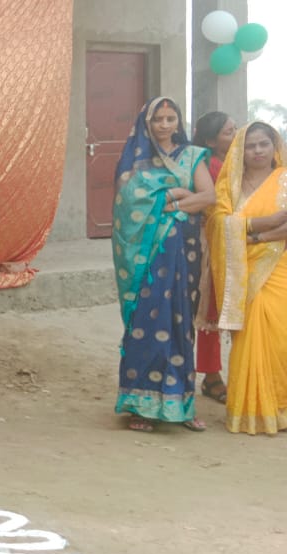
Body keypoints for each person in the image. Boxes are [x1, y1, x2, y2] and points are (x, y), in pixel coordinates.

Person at [111, 97, 215, 433]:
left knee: (180, 325)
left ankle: (181, 406)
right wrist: (176, 198)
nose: (165, 124)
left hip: (183, 255)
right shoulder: (136, 162)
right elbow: (129, 205)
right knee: (146, 322)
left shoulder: (193, 155)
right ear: (147, 123)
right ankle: (140, 406)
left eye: (171, 118)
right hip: (148, 258)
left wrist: (164, 202)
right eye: (159, 118)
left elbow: (208, 197)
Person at [208, 122, 287, 435]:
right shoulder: (231, 186)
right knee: (251, 334)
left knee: (280, 338)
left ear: (274, 146)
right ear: (240, 151)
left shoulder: (283, 180)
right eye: (251, 145)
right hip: (245, 273)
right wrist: (260, 225)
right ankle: (253, 410)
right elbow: (217, 224)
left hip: (279, 267)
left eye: (263, 144)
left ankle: (280, 406)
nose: (257, 151)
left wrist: (255, 235)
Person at [191, 111, 236, 403]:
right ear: (210, 140)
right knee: (211, 310)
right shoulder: (209, 164)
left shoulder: (236, 161)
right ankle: (211, 376)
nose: (235, 136)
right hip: (212, 244)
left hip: (235, 241)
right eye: (228, 132)